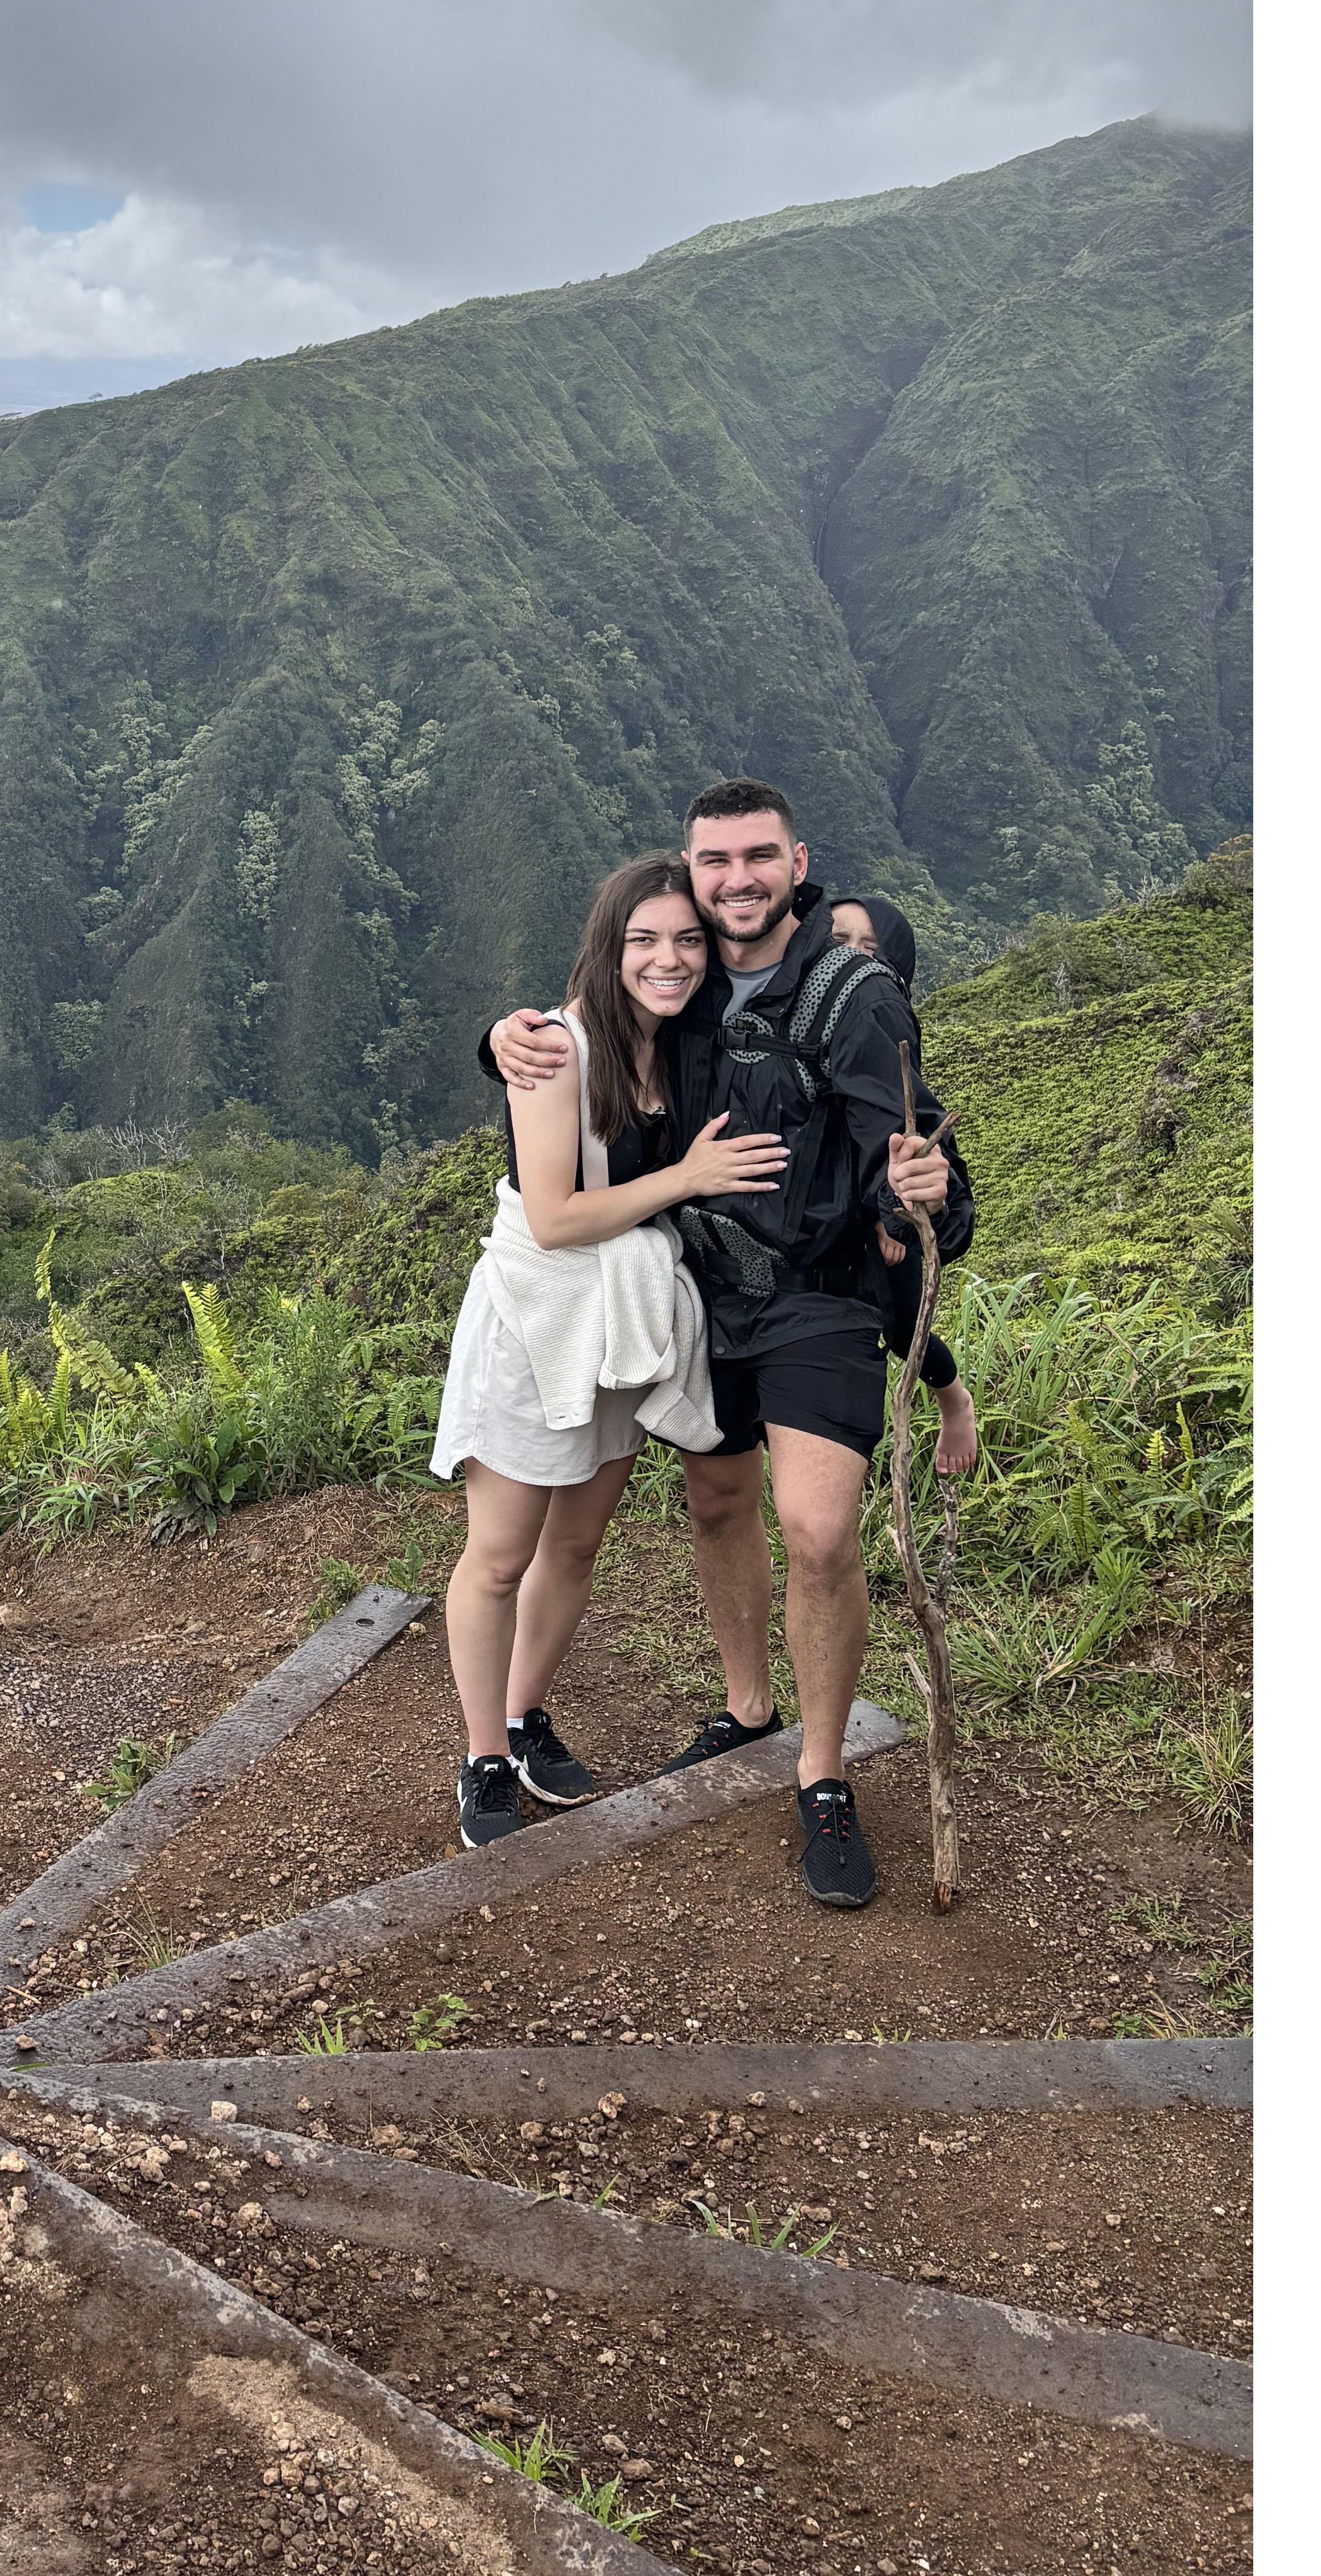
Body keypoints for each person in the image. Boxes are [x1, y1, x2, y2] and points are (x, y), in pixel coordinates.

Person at [482, 780, 971, 1909]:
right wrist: (500, 1040)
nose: (737, 880)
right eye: (717, 862)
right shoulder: (686, 980)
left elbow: (915, 1151)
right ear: (693, 873)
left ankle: (821, 1768)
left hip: (815, 1296)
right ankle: (748, 1706)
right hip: (695, 1289)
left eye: (759, 858)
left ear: (798, 862)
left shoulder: (854, 998)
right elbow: (596, 1030)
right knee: (715, 1502)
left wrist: (932, 1201)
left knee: (815, 1525)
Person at [432, 856, 786, 1849]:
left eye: (686, 939)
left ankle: (521, 1713)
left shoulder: (686, 1048)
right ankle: (481, 1759)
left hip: (623, 1330)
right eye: (644, 940)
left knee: (574, 1544)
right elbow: (551, 1217)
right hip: (537, 1323)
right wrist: (688, 1175)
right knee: (499, 1554)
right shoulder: (554, 1050)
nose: (667, 959)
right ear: (608, 947)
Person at [825, 895, 981, 1480]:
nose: (850, 958)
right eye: (837, 941)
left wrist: (886, 1217)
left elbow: (891, 1129)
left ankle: (953, 1399)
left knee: (899, 1328)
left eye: (869, 949)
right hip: (825, 1217)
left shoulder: (878, 1016)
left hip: (884, 1212)